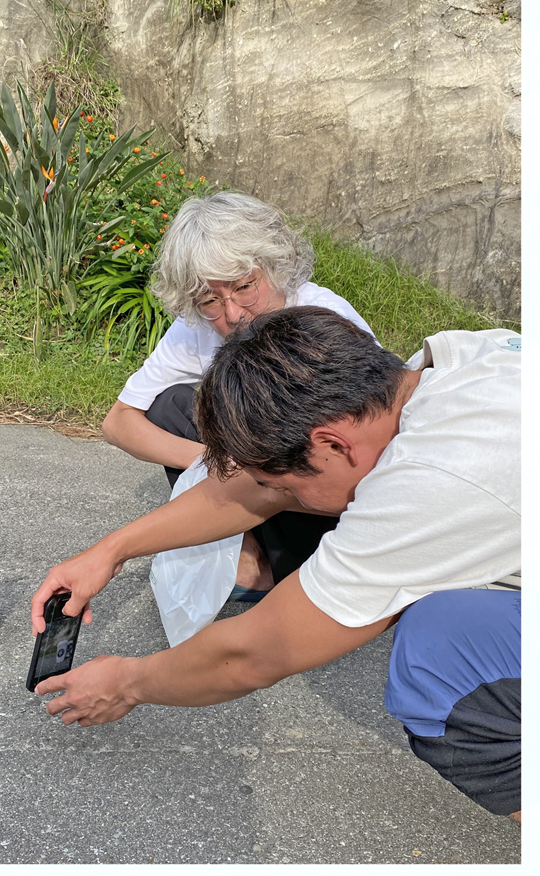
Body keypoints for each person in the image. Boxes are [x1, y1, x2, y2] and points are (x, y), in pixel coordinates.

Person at [31, 307, 521, 820]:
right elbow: (248, 495)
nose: (279, 496)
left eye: (284, 486)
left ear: (333, 444)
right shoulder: (454, 363)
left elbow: (255, 653)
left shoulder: (431, 481)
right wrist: (111, 551)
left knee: (442, 654)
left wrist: (127, 683)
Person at [101, 191, 375, 598]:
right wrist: (209, 463)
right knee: (171, 405)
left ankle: (316, 570)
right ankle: (248, 562)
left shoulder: (325, 320)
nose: (232, 314)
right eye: (210, 299)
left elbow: (363, 449)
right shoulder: (200, 325)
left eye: (245, 287)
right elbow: (119, 421)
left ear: (274, 267)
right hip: (259, 481)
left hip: (326, 501)